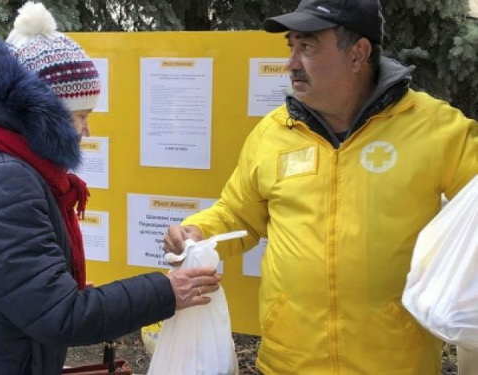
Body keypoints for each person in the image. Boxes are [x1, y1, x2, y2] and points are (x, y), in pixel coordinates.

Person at [164, 0, 478, 374]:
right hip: (287, 363)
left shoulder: (435, 128)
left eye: (308, 47)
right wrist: (200, 230)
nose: (292, 63)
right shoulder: (274, 133)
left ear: (358, 54)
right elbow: (238, 214)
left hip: (395, 364)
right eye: (291, 47)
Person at [0, 4, 220, 375]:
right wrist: (167, 292)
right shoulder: (6, 180)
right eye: (80, 116)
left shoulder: (4, 159)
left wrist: (58, 287)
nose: (87, 131)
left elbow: (28, 292)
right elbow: (61, 315)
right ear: (43, 115)